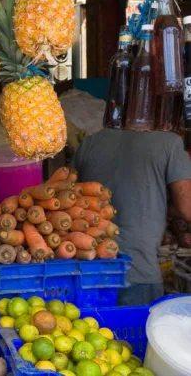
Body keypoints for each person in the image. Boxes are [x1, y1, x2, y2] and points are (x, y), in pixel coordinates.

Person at [72, 129, 191, 306]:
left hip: (90, 269)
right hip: (138, 270)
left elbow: (67, 195)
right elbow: (187, 208)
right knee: (134, 329)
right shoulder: (171, 143)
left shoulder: (91, 141)